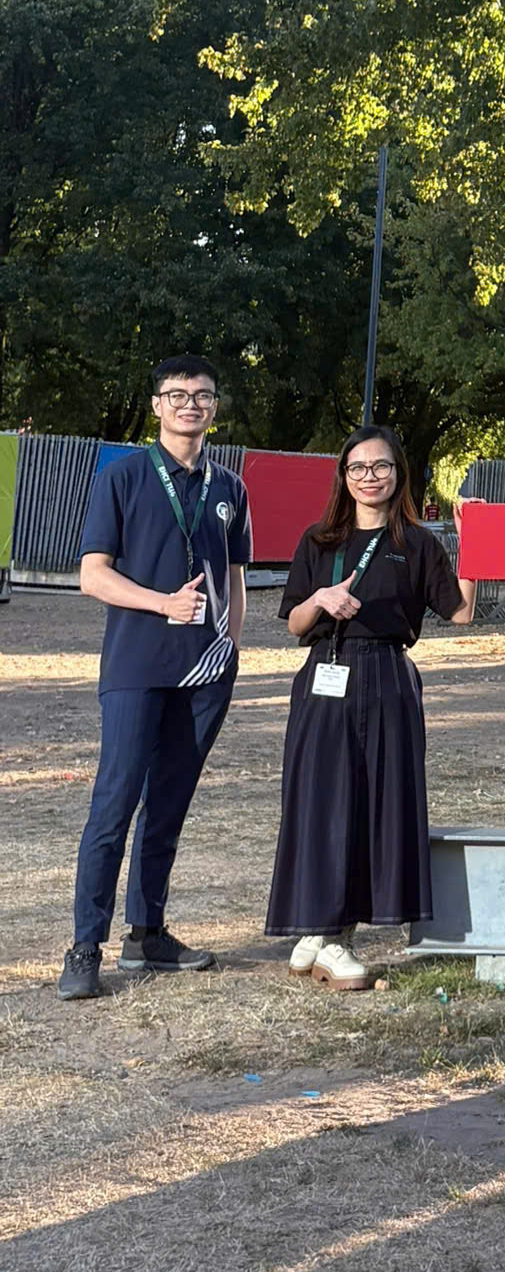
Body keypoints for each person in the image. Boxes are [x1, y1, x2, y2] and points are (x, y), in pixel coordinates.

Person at [60, 355, 253, 1001]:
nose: (190, 404)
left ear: (214, 407)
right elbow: (92, 575)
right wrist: (162, 604)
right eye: (177, 394)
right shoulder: (122, 477)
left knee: (168, 804)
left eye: (202, 395)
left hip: (205, 673)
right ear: (156, 405)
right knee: (114, 804)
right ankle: (85, 946)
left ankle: (147, 935)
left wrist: (231, 646)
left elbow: (235, 576)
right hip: (137, 666)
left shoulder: (230, 487)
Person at [266, 425, 473, 990]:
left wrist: (473, 544)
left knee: (375, 805)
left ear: (398, 474)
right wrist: (320, 598)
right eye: (358, 467)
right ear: (344, 476)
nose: (369, 477)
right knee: (322, 802)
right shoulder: (319, 540)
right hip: (326, 676)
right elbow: (295, 623)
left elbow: (460, 612)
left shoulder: (417, 544)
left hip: (387, 677)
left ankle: (332, 935)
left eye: (381, 466)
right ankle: (323, 930)